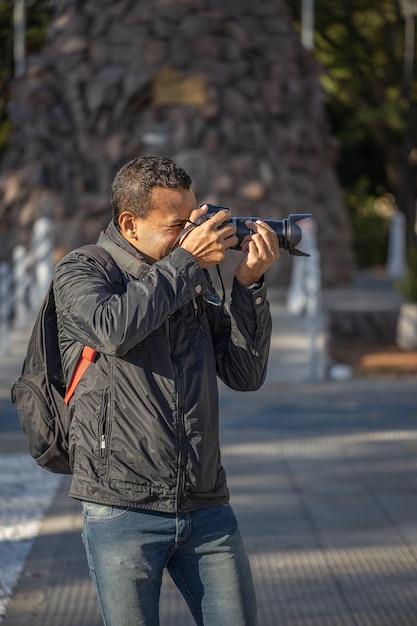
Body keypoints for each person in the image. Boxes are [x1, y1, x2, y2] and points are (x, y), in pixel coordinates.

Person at [53, 155, 280, 626]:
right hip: (121, 509)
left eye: (193, 220)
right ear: (130, 224)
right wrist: (185, 262)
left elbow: (244, 373)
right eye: (178, 225)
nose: (193, 234)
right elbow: (111, 328)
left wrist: (249, 286)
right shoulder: (82, 272)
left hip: (206, 505)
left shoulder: (188, 275)